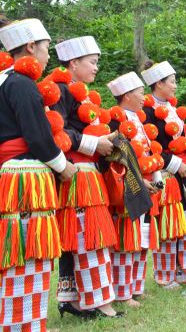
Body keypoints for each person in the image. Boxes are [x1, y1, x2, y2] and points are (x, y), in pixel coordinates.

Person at [0, 17, 76, 331]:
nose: (47, 57)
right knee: (30, 252)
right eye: (46, 49)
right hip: (26, 176)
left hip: (10, 174)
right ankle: (25, 324)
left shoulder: (5, 81)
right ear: (31, 47)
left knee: (18, 252)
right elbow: (38, 136)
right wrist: (63, 165)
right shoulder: (21, 84)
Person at [50, 36, 121, 317]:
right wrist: (95, 144)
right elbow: (56, 131)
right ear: (74, 62)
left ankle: (72, 298)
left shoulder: (79, 93)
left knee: (77, 237)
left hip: (85, 173)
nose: (96, 68)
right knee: (89, 237)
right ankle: (98, 302)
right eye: (92, 62)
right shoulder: (58, 90)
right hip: (76, 174)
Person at [141, 61, 186, 287]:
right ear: (158, 83)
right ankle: (164, 274)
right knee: (169, 226)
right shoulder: (146, 110)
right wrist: (175, 163)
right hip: (167, 172)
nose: (175, 86)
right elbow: (149, 145)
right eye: (172, 81)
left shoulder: (174, 109)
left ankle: (185, 271)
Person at [106, 71, 161, 306]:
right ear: (127, 95)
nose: (144, 97)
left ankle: (136, 286)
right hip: (128, 182)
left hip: (146, 183)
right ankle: (122, 291)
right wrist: (139, 180)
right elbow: (118, 156)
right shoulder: (115, 119)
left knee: (142, 238)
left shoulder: (138, 119)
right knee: (126, 239)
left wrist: (155, 177)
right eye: (140, 92)